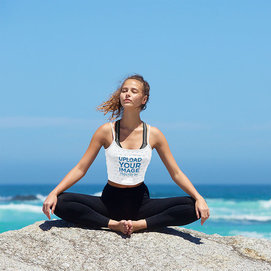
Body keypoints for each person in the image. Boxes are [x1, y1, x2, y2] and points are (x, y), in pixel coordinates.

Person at [42, 73, 210, 236]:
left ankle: (140, 225)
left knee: (191, 206)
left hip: (140, 204)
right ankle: (113, 225)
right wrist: (54, 193)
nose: (127, 94)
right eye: (124, 90)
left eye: (133, 91)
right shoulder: (106, 131)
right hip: (109, 203)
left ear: (143, 100)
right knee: (61, 202)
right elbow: (80, 168)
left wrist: (199, 197)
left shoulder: (154, 134)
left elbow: (176, 172)